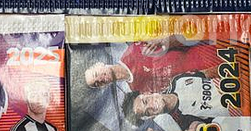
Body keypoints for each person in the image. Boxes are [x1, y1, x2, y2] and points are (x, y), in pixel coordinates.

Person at [121, 72, 233, 131]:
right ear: (151, 116)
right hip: (237, 107)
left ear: (147, 92)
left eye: (146, 101)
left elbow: (210, 72)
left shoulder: (178, 80)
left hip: (236, 80)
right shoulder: (180, 119)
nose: (151, 106)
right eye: (147, 112)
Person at [83, 37, 219, 93]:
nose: (99, 79)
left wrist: (164, 40)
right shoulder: (137, 91)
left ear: (100, 64)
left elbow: (182, 38)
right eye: (97, 83)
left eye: (96, 74)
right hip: (212, 87)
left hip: (209, 55)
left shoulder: (135, 49)